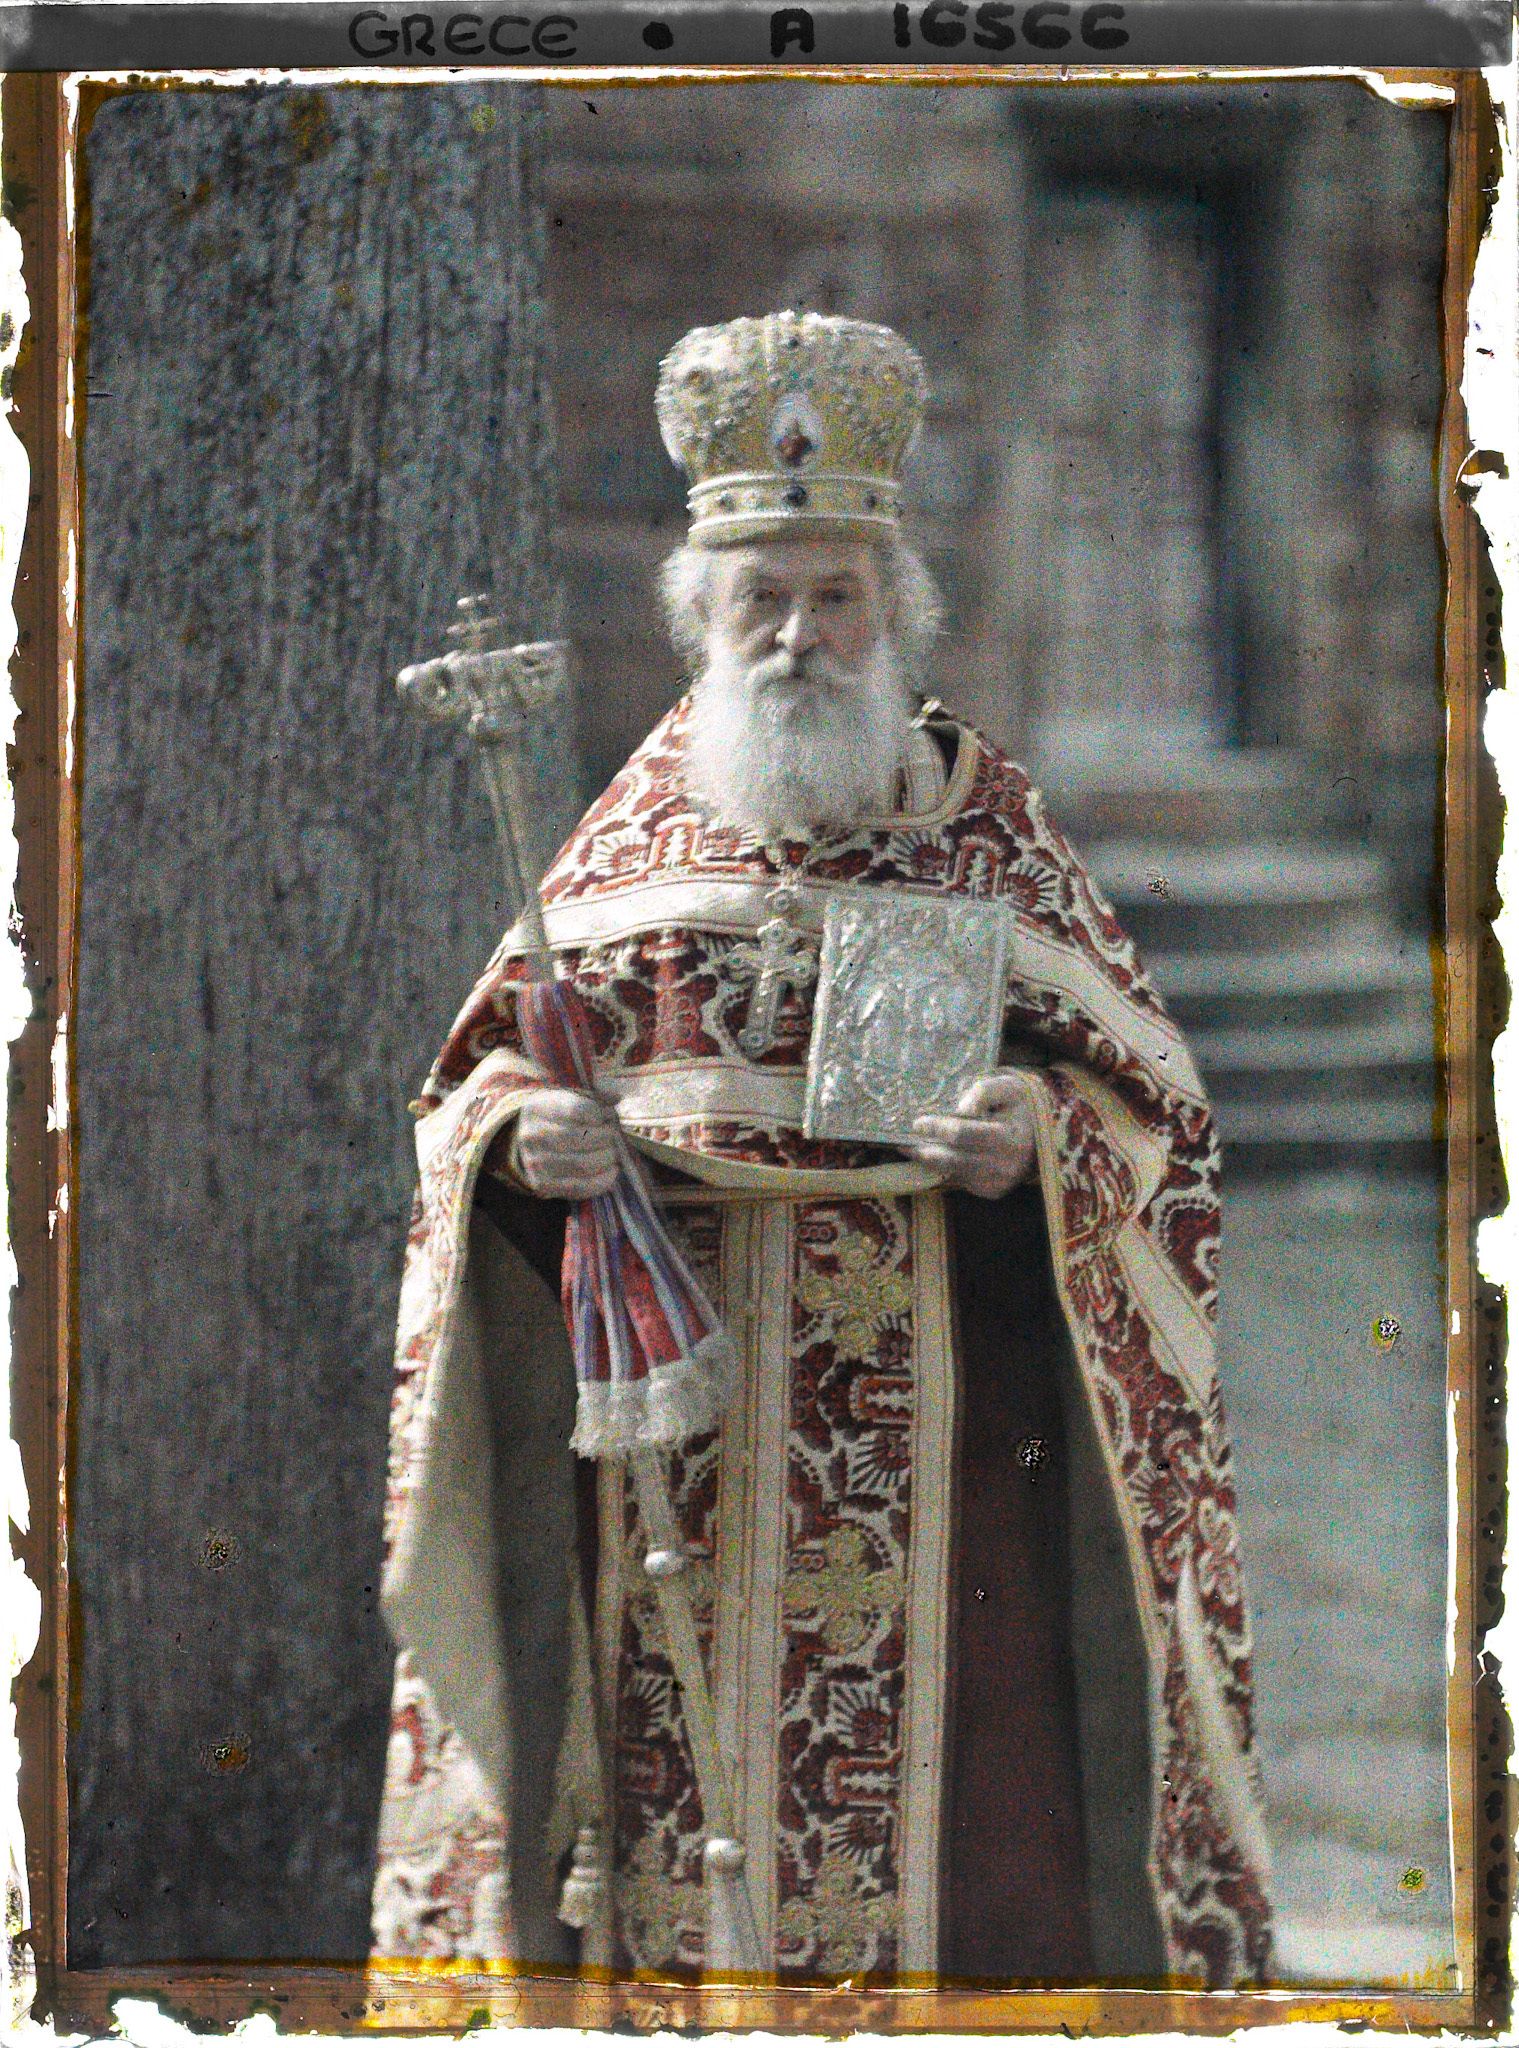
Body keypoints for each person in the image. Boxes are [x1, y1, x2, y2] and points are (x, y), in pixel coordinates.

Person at [370, 311, 1273, 1988]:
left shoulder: (988, 829)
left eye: (836, 595)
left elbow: (1154, 1115)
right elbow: (476, 1092)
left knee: (966, 1835)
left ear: (894, 609)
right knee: (675, 1820)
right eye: (761, 599)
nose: (798, 634)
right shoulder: (627, 843)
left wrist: (1037, 1132)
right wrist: (524, 1139)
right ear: (701, 616)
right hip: (681, 1447)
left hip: (950, 1451)